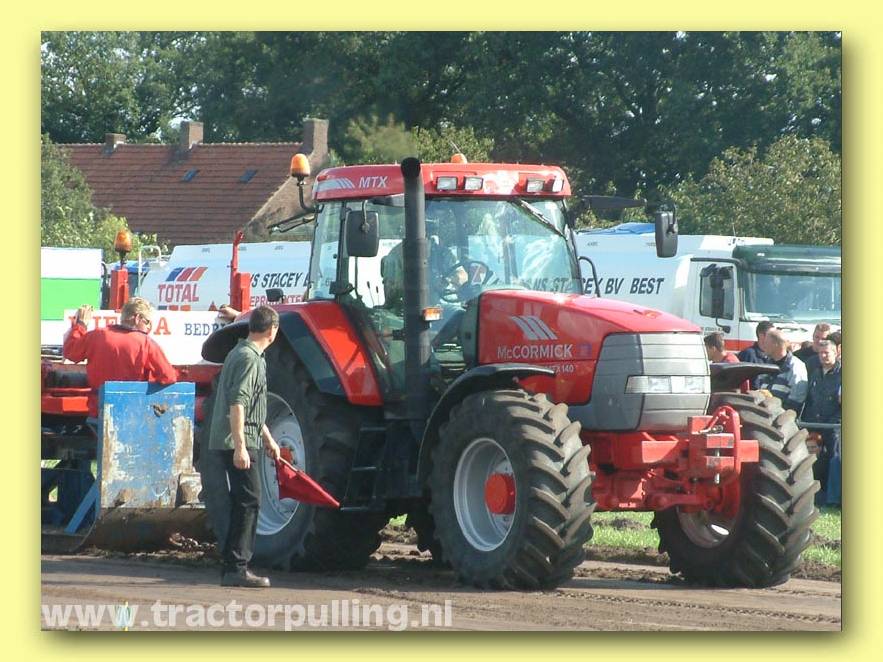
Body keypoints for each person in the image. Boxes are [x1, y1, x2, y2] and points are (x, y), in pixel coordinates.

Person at [207, 305, 281, 588]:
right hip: (238, 441)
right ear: (272, 330)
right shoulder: (249, 358)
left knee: (243, 501)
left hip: (243, 437)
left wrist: (268, 439)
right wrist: (240, 446)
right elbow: (238, 403)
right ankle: (237, 568)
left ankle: (232, 565)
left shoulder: (241, 353)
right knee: (249, 501)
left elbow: (251, 407)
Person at [62, 297, 177, 417]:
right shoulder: (145, 343)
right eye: (147, 322)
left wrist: (81, 325)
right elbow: (168, 376)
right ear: (137, 318)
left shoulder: (96, 335)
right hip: (131, 412)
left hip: (99, 411)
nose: (149, 327)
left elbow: (70, 352)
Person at [802, 334, 842, 506]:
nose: (823, 356)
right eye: (821, 353)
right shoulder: (815, 373)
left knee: (834, 458)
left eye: (827, 353)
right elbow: (810, 400)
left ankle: (832, 499)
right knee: (809, 457)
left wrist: (833, 423)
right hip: (814, 423)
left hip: (835, 426)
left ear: (836, 353)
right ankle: (811, 495)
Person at [756, 328, 808, 414]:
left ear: (776, 344)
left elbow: (797, 399)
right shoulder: (766, 365)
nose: (763, 346)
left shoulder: (796, 366)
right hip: (764, 415)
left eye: (766, 342)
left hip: (783, 418)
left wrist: (779, 413)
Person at [738, 321, 775, 388]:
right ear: (761, 335)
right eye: (772, 336)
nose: (775, 339)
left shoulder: (774, 356)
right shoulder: (748, 355)